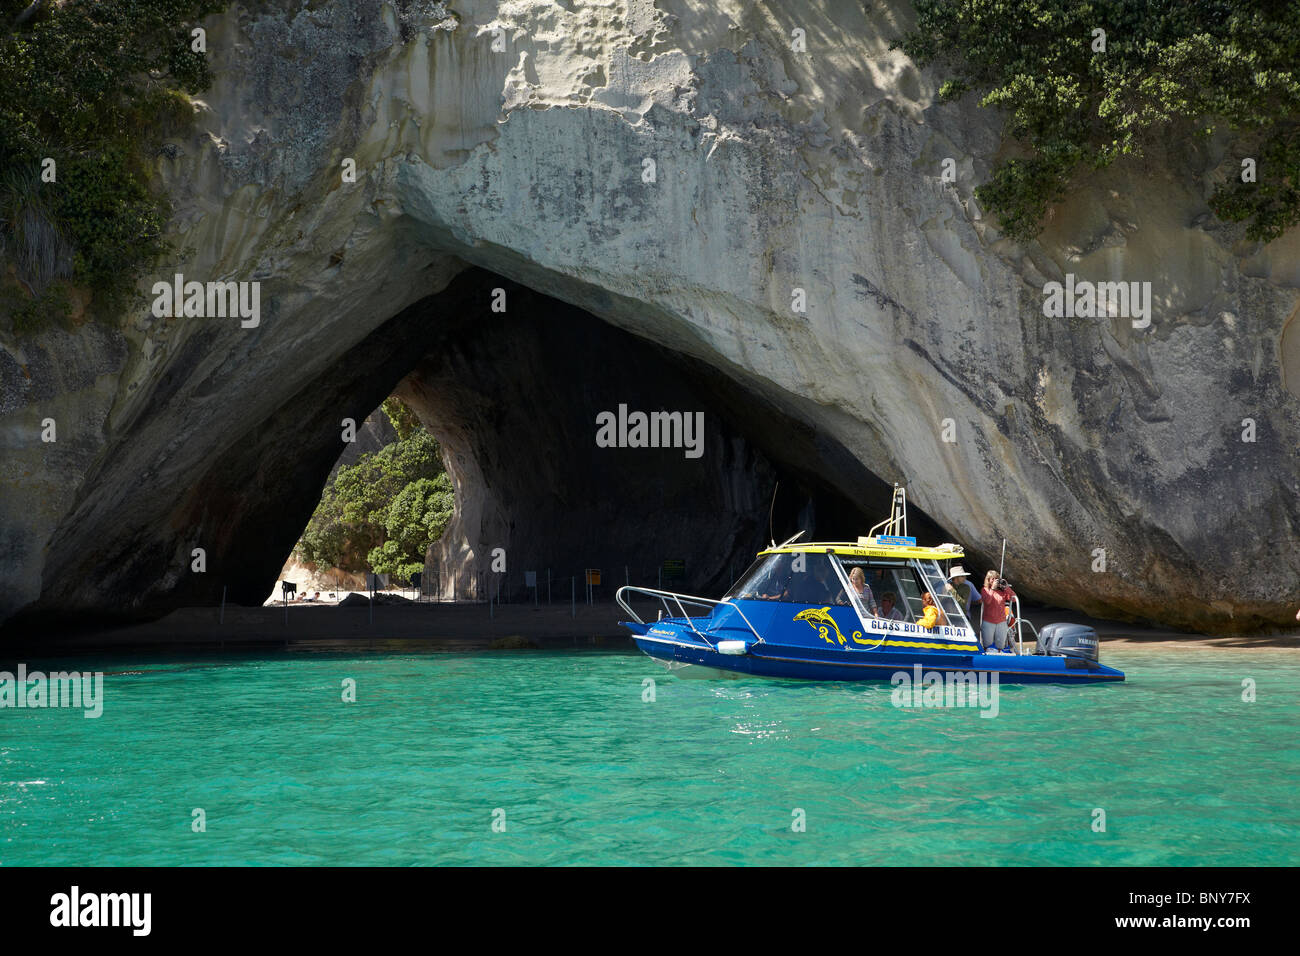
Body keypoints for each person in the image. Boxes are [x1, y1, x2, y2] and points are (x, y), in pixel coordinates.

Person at [979, 570, 1017, 652]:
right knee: (987, 645)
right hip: (988, 621)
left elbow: (1013, 599)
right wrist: (992, 589)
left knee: (1000, 645)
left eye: (996, 579)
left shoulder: (1002, 592)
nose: (995, 580)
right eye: (992, 579)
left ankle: (1000, 656)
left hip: (1001, 622)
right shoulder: (984, 590)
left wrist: (1006, 587)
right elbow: (987, 601)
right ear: (988, 580)